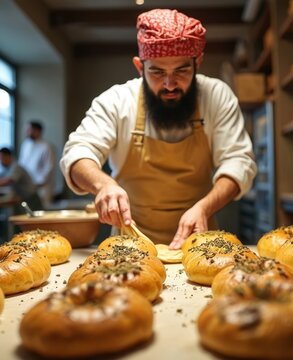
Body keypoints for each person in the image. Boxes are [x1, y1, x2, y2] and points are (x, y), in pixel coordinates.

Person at [60, 9, 256, 249]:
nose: (169, 84)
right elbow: (78, 152)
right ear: (139, 67)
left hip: (200, 242)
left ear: (198, 63)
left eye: (182, 71)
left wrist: (205, 207)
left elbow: (239, 161)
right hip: (128, 245)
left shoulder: (216, 96)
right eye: (157, 71)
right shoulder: (117, 100)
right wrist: (104, 185)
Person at [0, 147, 43, 214]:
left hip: (31, 199)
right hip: (23, 199)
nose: (0, 161)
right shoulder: (6, 169)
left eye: (1, 158)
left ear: (8, 157)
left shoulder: (16, 167)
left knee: (34, 222)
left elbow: (9, 181)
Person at [19, 121, 55, 209]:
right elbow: (21, 165)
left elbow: (49, 167)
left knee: (42, 211)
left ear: (37, 131)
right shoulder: (25, 145)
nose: (26, 132)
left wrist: (37, 183)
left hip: (41, 187)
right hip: (27, 187)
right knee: (28, 211)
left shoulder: (46, 146)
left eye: (29, 129)